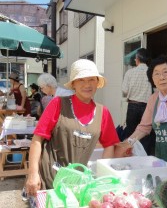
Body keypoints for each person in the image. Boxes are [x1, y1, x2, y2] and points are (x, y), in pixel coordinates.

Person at [25, 59, 120, 195]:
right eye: (81, 80)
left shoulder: (102, 112)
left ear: (97, 83)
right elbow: (37, 139)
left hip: (78, 183)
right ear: (73, 84)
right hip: (48, 178)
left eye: (91, 79)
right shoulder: (58, 103)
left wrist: (101, 176)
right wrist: (32, 173)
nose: (87, 84)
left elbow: (110, 145)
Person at [122, 48, 155, 154]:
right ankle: (145, 157)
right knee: (146, 134)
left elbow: (124, 91)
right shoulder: (152, 73)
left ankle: (130, 155)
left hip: (132, 106)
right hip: (147, 107)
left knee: (131, 134)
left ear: (137, 59)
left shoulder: (129, 72)